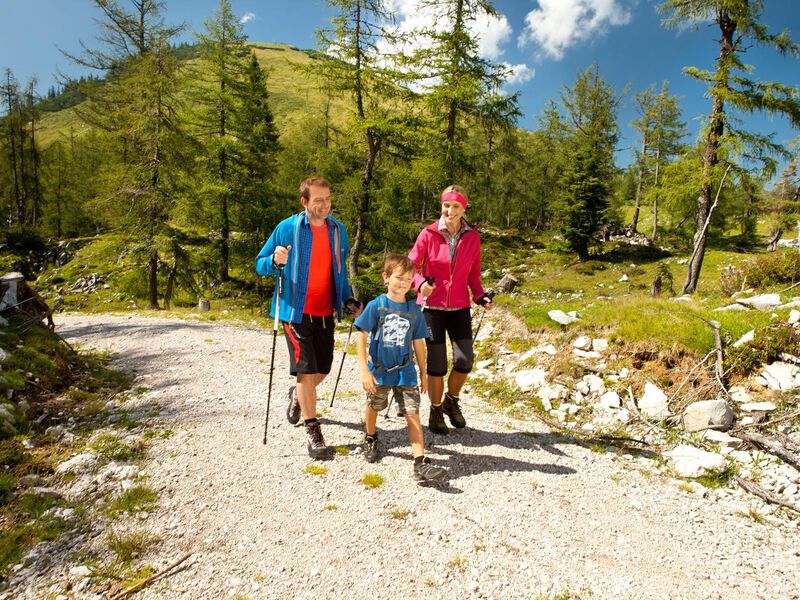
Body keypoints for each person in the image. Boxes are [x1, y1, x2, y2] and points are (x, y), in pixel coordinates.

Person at [255, 176, 361, 459]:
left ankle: (298, 394)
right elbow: (260, 264)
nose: (325, 205)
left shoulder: (338, 230)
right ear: (304, 202)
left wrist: (347, 298)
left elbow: (339, 271)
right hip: (295, 311)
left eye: (327, 199)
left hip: (326, 311)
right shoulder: (287, 228)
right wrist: (275, 261)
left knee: (320, 371)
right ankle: (313, 430)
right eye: (318, 200)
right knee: (305, 369)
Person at [408, 185, 494, 435]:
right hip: (431, 307)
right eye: (447, 205)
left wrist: (480, 297)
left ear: (463, 208)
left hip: (459, 307)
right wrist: (420, 283)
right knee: (437, 365)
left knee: (465, 360)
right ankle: (435, 412)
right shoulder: (428, 233)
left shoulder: (472, 237)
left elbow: (474, 275)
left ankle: (451, 401)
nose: (450, 210)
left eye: (456, 206)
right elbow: (411, 266)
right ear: (441, 207)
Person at [354, 254, 446, 481]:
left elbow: (418, 344)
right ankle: (370, 436)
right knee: (375, 405)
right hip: (379, 371)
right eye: (398, 277)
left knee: (413, 413)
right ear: (386, 277)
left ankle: (420, 461)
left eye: (408, 278)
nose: (403, 283)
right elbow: (361, 337)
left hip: (406, 371)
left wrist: (423, 372)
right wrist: (365, 371)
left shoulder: (415, 311)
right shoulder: (377, 306)